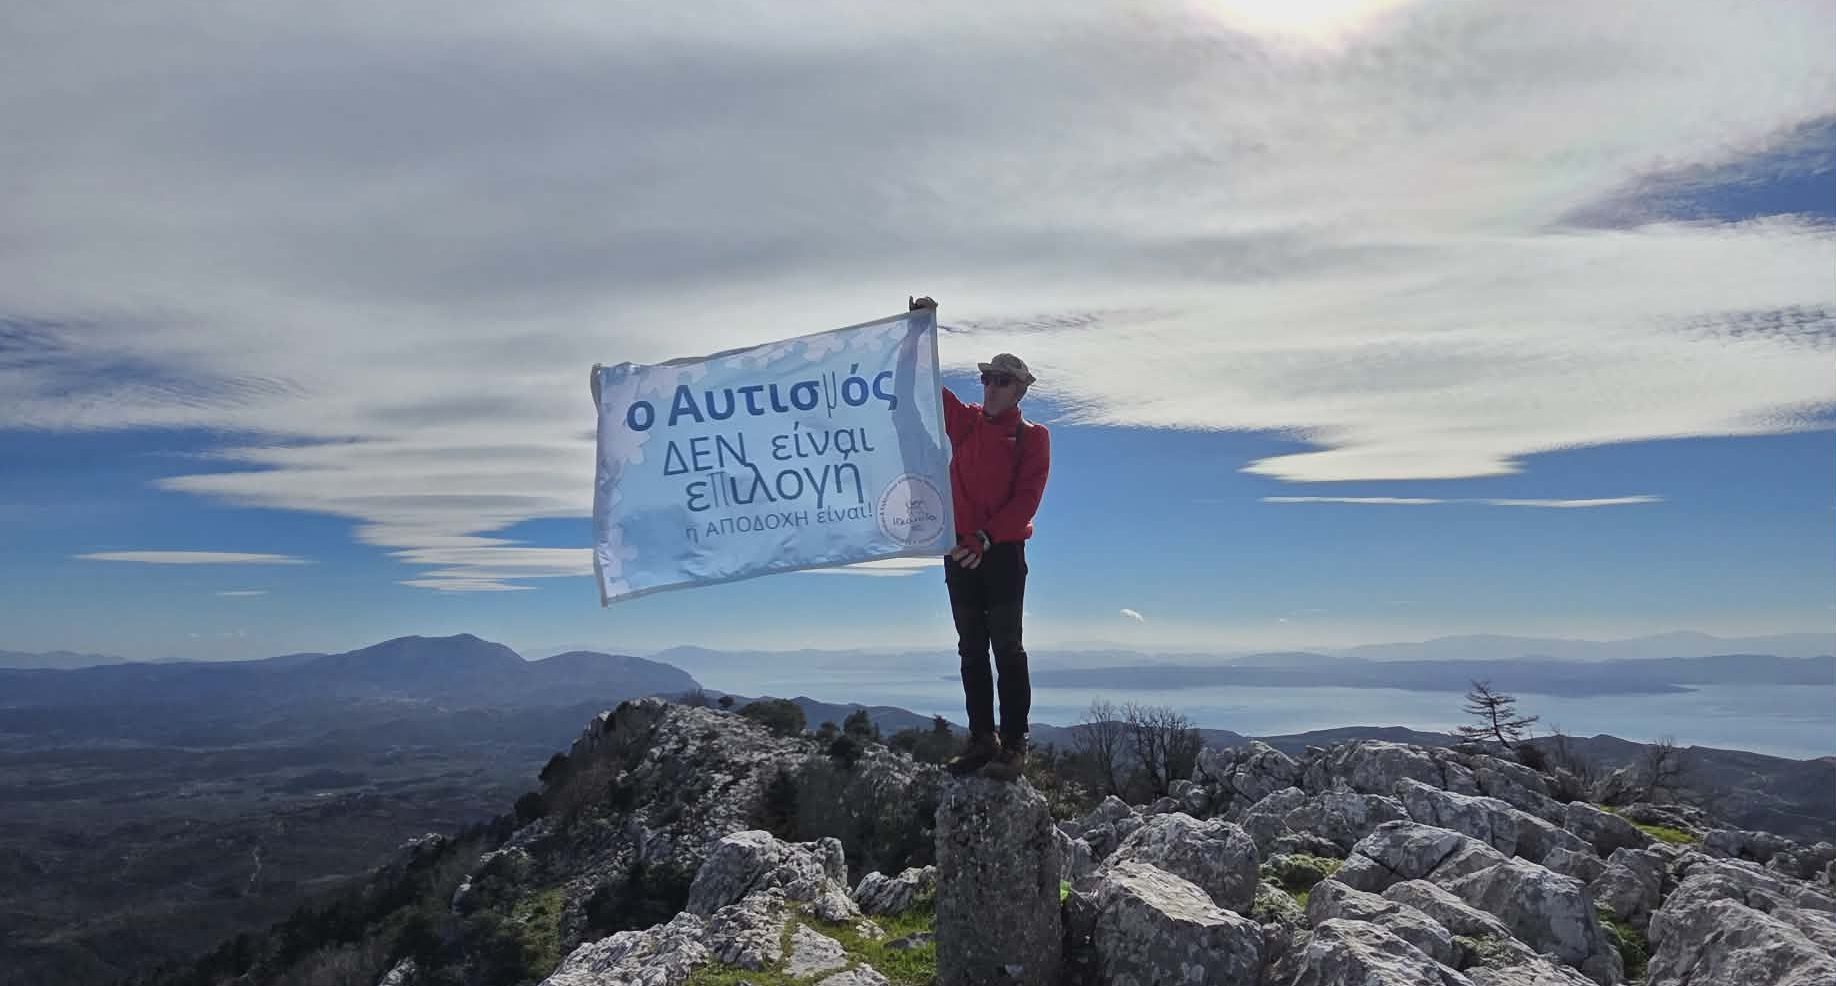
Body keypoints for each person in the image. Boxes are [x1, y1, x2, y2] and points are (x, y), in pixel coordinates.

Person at [908, 296, 1052, 782]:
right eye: (988, 378)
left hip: (1002, 553)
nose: (991, 387)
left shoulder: (1033, 437)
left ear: (1020, 391)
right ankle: (981, 739)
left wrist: (986, 539)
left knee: (1006, 648)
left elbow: (1026, 500)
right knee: (971, 649)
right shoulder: (966, 420)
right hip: (958, 553)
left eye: (1003, 380)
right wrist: (918, 330)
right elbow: (922, 387)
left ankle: (1014, 746)